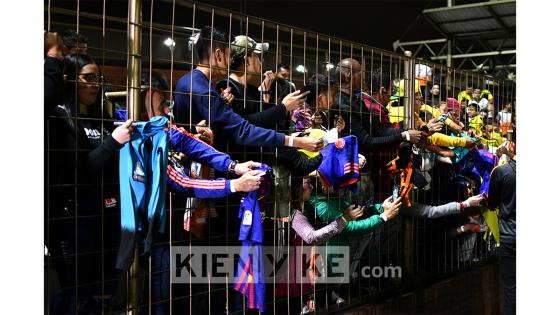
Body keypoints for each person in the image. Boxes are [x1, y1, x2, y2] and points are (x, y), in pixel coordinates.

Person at [47, 52, 133, 313]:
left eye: (98, 78)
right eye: (88, 77)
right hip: (75, 221)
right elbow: (79, 170)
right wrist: (113, 142)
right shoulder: (60, 119)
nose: (95, 84)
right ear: (71, 79)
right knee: (78, 295)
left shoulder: (102, 118)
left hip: (107, 217)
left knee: (105, 291)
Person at [173, 26, 321, 152]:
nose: (231, 61)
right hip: (203, 168)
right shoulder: (207, 90)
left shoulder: (187, 81)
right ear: (218, 55)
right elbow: (242, 129)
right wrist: (294, 140)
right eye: (229, 55)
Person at [487, 149, 516, 315]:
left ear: (512, 145)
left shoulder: (502, 172)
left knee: (511, 289)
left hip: (510, 236)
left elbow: (492, 203)